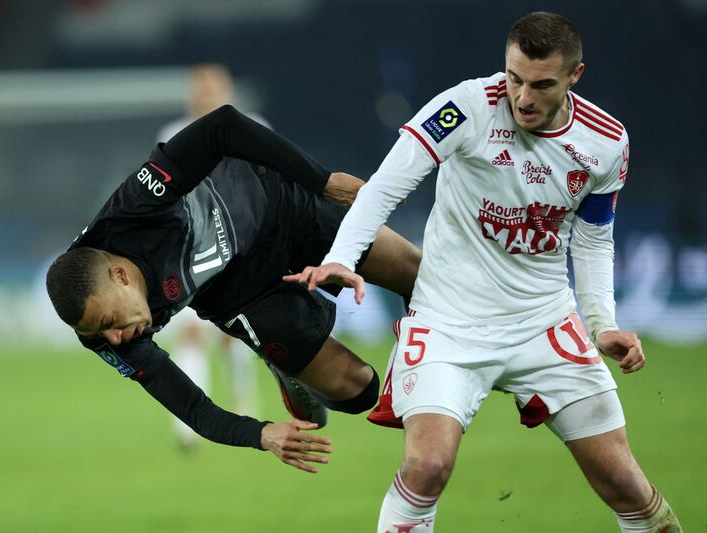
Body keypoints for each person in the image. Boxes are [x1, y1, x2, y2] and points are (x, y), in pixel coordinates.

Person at [286, 11, 681, 530]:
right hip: (447, 320)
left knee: (624, 483)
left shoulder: (606, 142)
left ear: (574, 77)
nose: (522, 97)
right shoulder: (465, 107)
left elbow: (592, 237)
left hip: (544, 321)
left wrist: (602, 323)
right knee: (427, 465)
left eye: (541, 85)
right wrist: (341, 254)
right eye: (514, 78)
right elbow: (385, 185)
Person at [45, 103, 421, 473]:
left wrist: (325, 182)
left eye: (109, 321)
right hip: (242, 296)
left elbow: (222, 126)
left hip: (280, 205)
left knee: (417, 274)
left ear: (120, 276)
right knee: (359, 391)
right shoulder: (102, 331)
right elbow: (192, 408)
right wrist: (262, 434)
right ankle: (286, 368)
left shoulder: (137, 206)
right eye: (99, 333)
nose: (115, 337)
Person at [157, 63, 268, 451]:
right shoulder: (172, 134)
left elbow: (269, 187)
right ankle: (187, 427)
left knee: (233, 334)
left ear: (228, 91)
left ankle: (244, 399)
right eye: (198, 88)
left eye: (211, 88)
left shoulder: (253, 127)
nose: (203, 95)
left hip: (241, 247)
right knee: (190, 334)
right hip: (191, 248)